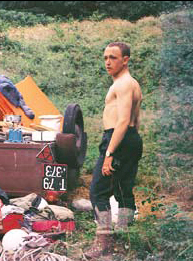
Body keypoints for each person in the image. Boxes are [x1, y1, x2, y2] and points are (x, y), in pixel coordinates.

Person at [86, 42, 143, 259]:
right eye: (105, 58)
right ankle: (124, 238)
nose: (108, 62)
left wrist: (110, 153)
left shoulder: (124, 84)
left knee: (98, 191)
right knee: (122, 189)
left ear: (126, 59)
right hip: (129, 140)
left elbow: (123, 121)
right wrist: (129, 144)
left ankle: (104, 243)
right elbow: (134, 122)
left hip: (117, 139)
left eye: (114, 57)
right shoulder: (131, 83)